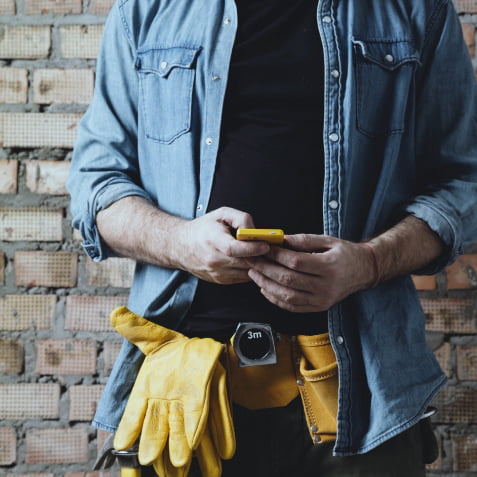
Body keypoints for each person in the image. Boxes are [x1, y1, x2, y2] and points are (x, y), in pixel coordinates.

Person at [67, 0, 477, 475]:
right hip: (187, 393)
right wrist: (183, 243)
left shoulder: (414, 10)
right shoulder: (146, 11)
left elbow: (463, 183)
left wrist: (369, 262)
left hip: (364, 393)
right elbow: (96, 190)